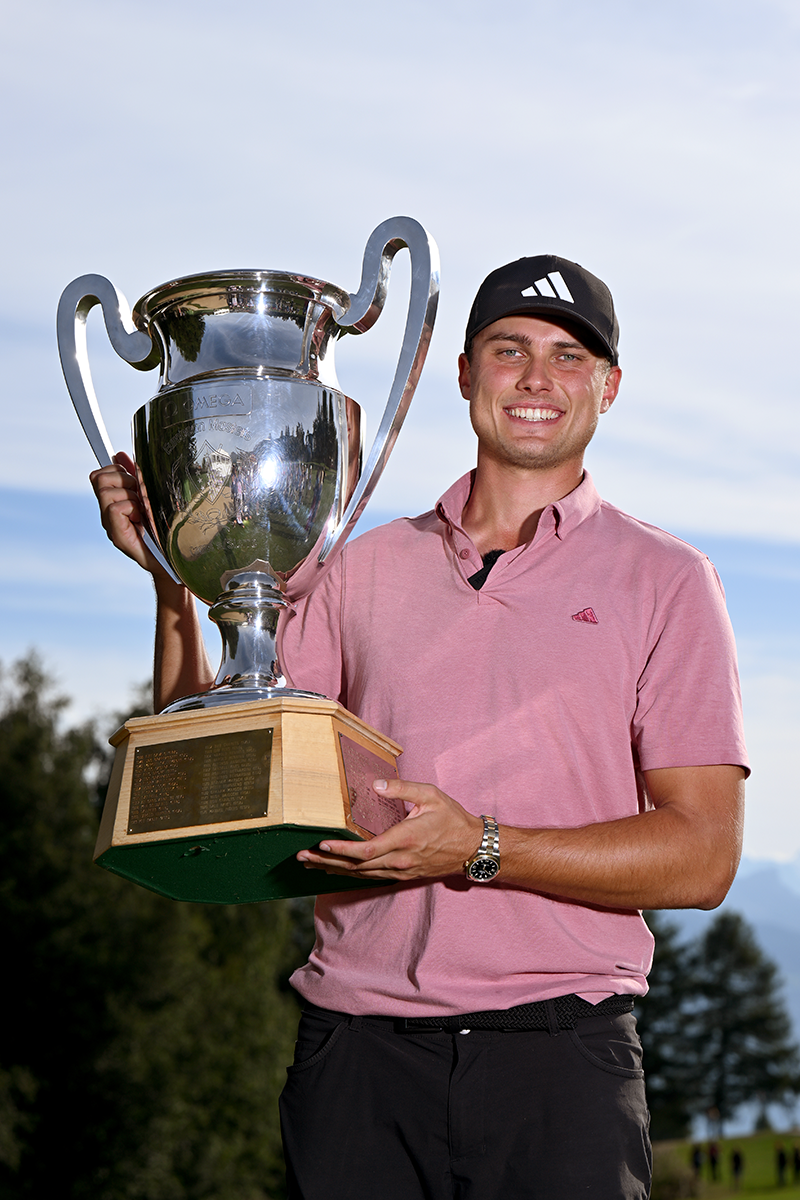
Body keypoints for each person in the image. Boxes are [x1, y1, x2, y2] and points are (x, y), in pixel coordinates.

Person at [91, 254, 748, 1200]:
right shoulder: (355, 567)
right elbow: (218, 772)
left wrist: (478, 847)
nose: (535, 379)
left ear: (608, 386)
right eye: (508, 349)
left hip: (559, 1059)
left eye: (568, 358)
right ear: (463, 372)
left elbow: (703, 857)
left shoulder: (670, 583)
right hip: (356, 1057)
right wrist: (171, 577)